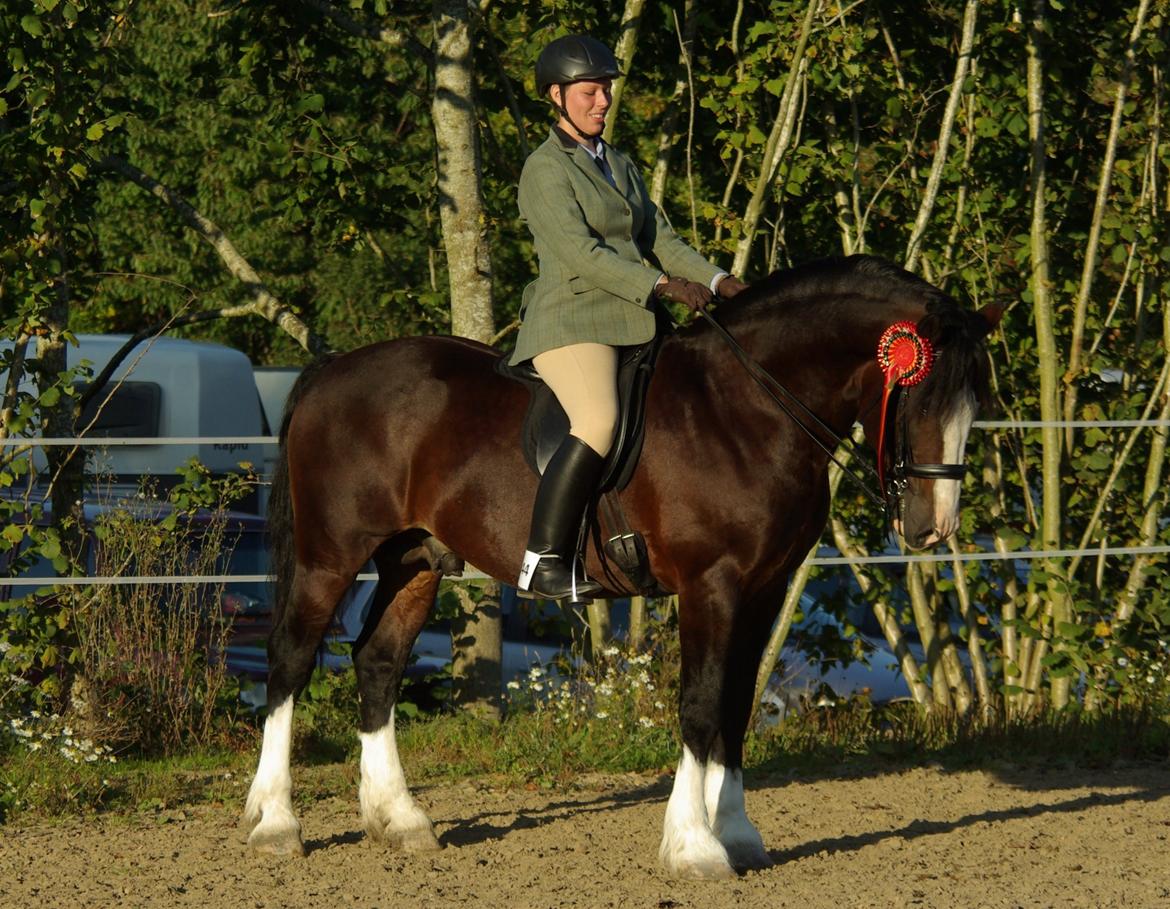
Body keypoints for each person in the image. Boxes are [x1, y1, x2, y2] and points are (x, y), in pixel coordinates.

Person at [511, 33, 749, 601]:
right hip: (572, 319)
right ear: (557, 95)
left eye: (607, 90)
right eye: (591, 91)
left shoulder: (618, 164)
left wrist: (723, 281)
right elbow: (580, 255)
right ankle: (542, 563)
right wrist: (662, 285)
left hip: (633, 320)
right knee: (596, 419)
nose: (603, 101)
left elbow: (662, 240)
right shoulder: (544, 170)